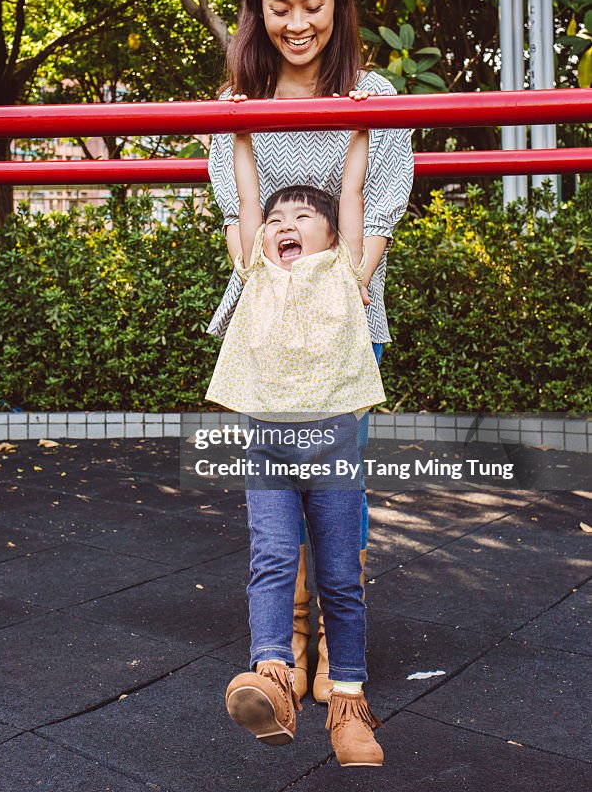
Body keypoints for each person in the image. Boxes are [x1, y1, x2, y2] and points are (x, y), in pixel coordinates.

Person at [207, 0, 414, 701]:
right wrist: (278, 291)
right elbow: (236, 211)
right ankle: (286, 636)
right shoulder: (241, 106)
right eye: (280, 6)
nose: (298, 23)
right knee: (272, 492)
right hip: (267, 320)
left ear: (337, 6)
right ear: (258, 14)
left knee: (337, 486)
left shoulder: (376, 96)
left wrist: (338, 296)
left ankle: (334, 644)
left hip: (343, 317)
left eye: (312, 4)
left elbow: (380, 201)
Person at [207, 126, 385, 766]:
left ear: (334, 236)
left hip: (332, 444)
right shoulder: (256, 268)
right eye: (278, 217)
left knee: (340, 576)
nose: (285, 222)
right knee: (272, 559)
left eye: (304, 216)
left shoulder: (345, 268)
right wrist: (241, 133)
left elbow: (354, 188)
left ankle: (349, 702)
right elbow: (247, 195)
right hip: (267, 449)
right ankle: (274, 678)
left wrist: (360, 129)